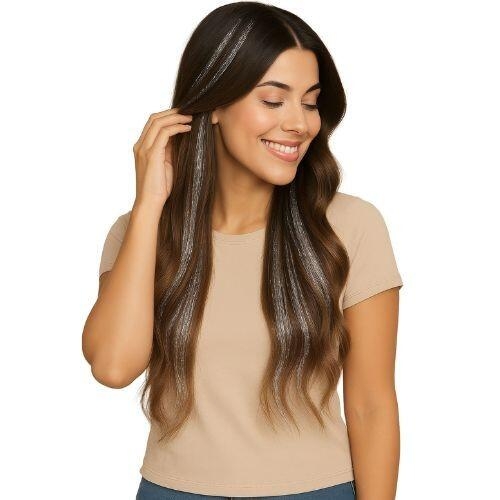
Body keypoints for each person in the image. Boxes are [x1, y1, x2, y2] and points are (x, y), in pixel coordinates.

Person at [82, 2, 403, 499]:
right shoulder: (139, 233)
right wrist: (148, 206)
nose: (299, 124)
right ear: (213, 103)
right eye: (274, 101)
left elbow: (371, 405)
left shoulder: (349, 227)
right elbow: (113, 366)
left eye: (310, 103)